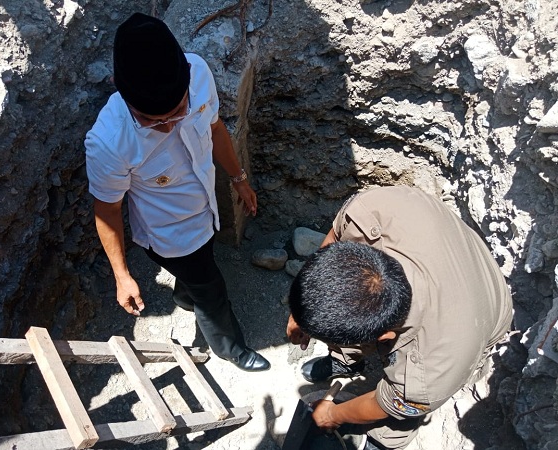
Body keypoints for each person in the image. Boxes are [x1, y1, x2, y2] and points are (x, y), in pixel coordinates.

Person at [85, 12, 269, 372]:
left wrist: (238, 178)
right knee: (212, 290)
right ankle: (231, 348)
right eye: (154, 121)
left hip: (206, 209)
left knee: (202, 270)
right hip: (170, 235)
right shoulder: (109, 142)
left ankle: (186, 294)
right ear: (121, 92)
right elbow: (106, 210)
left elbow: (215, 130)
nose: (169, 125)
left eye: (178, 111)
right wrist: (122, 275)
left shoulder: (198, 71)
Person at [286, 185, 513, 449]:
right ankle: (346, 362)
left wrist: (332, 415)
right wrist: (301, 313)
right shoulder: (373, 208)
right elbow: (335, 239)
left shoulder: (431, 372)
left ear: (384, 338)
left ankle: (383, 442)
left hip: (483, 309)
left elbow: (387, 403)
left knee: (399, 417)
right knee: (353, 311)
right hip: (447, 257)